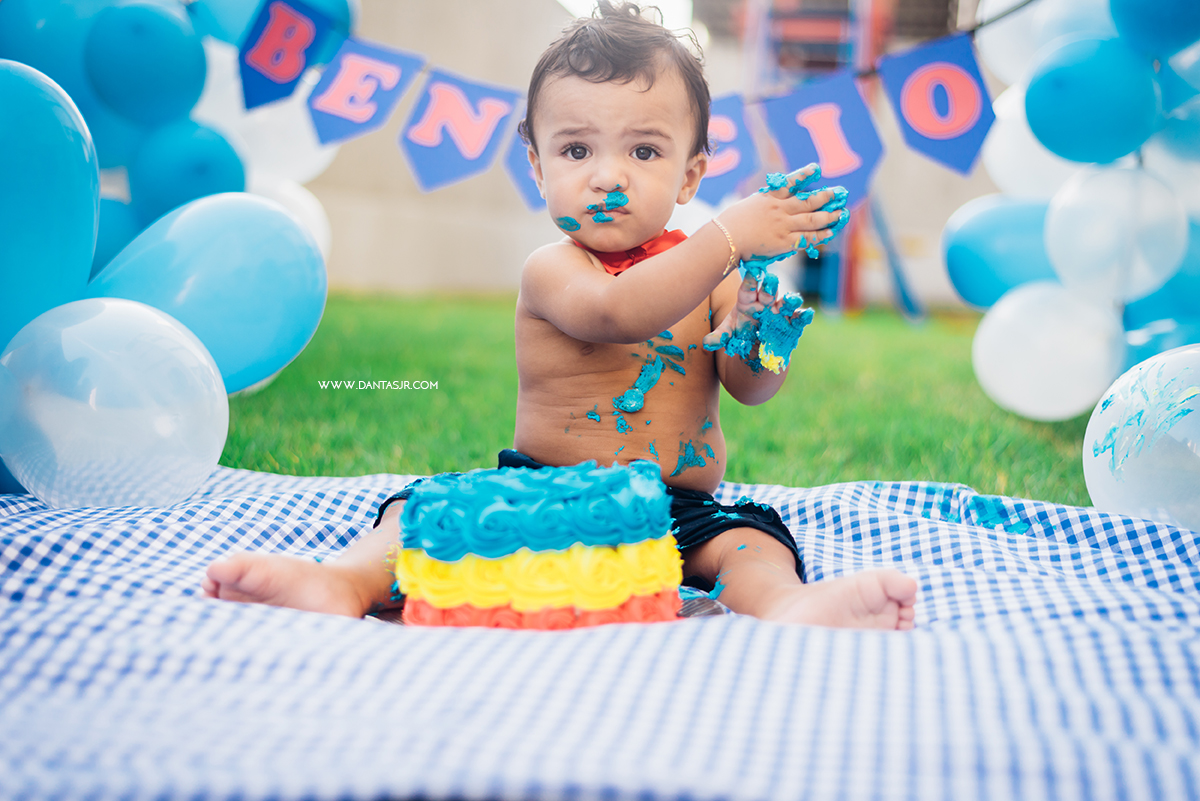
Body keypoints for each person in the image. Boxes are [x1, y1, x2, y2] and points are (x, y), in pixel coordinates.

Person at [203, 0, 918, 629]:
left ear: (691, 174)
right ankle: (343, 581)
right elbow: (615, 312)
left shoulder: (714, 278)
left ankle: (788, 604)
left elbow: (748, 385)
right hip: (547, 488)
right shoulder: (557, 268)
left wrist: (762, 328)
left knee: (753, 543)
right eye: (576, 149)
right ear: (539, 167)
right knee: (422, 513)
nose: (608, 174)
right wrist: (728, 236)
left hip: (676, 511)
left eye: (644, 149)